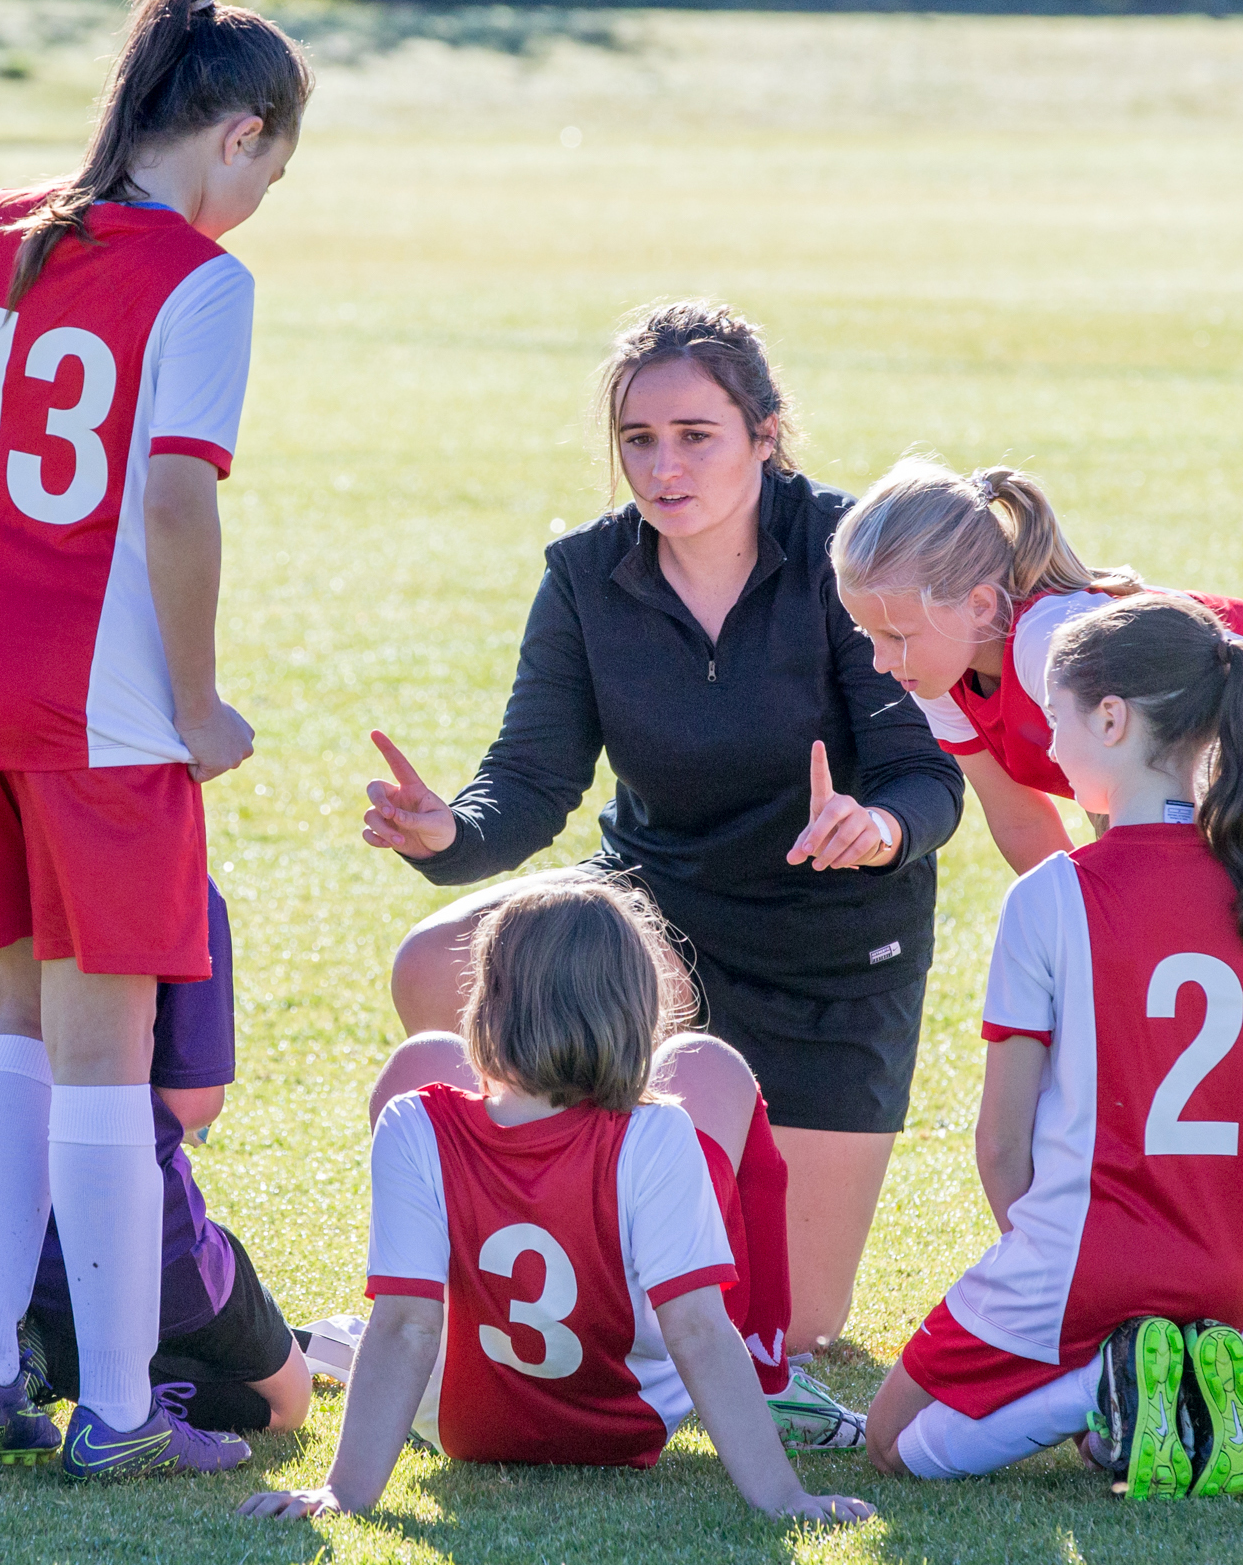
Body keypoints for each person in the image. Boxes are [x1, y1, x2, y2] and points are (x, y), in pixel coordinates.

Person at [0, 0, 309, 1477]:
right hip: (91, 705)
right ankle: (112, 1406)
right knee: (110, 1051)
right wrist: (202, 699)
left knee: (11, 1024)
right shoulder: (201, 279)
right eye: (270, 174)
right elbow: (170, 495)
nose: (259, 207)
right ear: (237, 133)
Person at [362, 301, 965, 1367]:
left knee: (800, 1325)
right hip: (655, 921)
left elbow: (924, 777)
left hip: (832, 953)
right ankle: (522, 1253)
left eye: (697, 436)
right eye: (639, 439)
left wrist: (871, 827)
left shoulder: (841, 552)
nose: (663, 466)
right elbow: (531, 780)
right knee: (435, 961)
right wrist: (448, 831)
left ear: (765, 435)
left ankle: (621, 1260)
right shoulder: (587, 575)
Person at [829, 455, 1243, 1414]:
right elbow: (1027, 825)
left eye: (894, 631)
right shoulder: (950, 668)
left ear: (983, 603)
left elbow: (1154, 830)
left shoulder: (1049, 647)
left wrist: (1123, 956)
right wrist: (1082, 966)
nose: (877, 657)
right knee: (1232, 1065)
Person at [239, 879, 874, 1525]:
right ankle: (773, 1375)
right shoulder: (656, 1132)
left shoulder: (414, 1122)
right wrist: (784, 1497)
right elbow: (698, 1330)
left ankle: (343, 1348)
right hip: (626, 1426)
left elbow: (406, 1324)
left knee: (419, 1062)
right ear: (635, 1011)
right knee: (716, 1069)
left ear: (486, 1004)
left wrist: (344, 1492)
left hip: (462, 1426)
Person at [863, 595, 1243, 1498]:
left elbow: (1000, 1145)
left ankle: (1100, 1386)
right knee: (1112, 1371)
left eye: (1055, 719)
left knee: (892, 1439)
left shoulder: (1054, 894)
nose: (1049, 747)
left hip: (1082, 1258)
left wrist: (1048, 1278)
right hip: (1222, 1272)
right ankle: (1163, 1378)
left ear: (1112, 719)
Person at [0, 850, 311, 1444]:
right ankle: (101, 1389)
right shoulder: (163, 862)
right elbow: (193, 1104)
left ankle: (0, 1342)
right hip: (122, 1239)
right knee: (287, 1402)